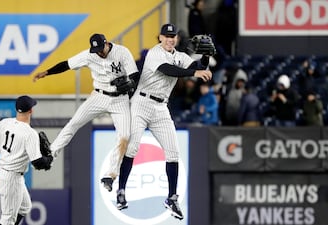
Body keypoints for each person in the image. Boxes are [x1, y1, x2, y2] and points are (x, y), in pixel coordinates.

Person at [116, 23, 212, 220]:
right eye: (166, 36)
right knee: (132, 148)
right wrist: (193, 73)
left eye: (173, 36)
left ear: (176, 38)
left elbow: (198, 67)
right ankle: (121, 191)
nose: (170, 39)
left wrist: (206, 56)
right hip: (141, 103)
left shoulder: (179, 56)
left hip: (161, 107)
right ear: (160, 37)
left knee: (173, 152)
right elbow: (169, 70)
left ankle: (172, 198)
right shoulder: (154, 53)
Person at [33, 33, 139, 192]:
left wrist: (130, 84)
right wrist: (46, 72)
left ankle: (110, 175)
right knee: (73, 123)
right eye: (95, 49)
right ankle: (50, 155)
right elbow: (66, 64)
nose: (99, 52)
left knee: (124, 137)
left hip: (119, 100)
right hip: (98, 96)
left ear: (106, 43)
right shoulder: (89, 55)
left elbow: (135, 75)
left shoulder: (122, 52)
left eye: (100, 48)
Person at [0, 95, 53, 225]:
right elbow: (37, 163)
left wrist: (0, 151)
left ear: (17, 110)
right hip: (11, 177)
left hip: (1, 171)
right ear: (31, 111)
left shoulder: (5, 122)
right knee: (7, 219)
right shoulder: (30, 133)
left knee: (25, 207)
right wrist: (49, 159)